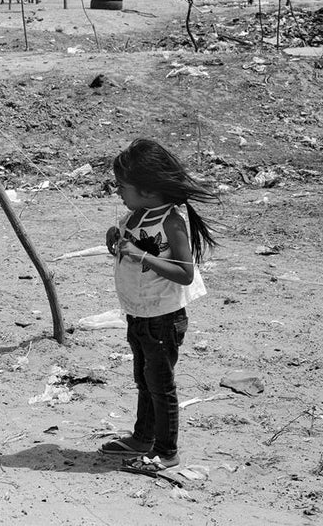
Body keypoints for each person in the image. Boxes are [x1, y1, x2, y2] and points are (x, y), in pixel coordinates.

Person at [99, 138, 217, 473]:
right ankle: (142, 437)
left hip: (163, 319)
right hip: (138, 314)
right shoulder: (135, 216)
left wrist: (140, 254)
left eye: (122, 186)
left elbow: (185, 273)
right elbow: (128, 242)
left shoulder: (171, 221)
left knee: (160, 386)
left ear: (148, 190)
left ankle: (165, 452)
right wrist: (114, 237)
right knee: (144, 380)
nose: (118, 192)